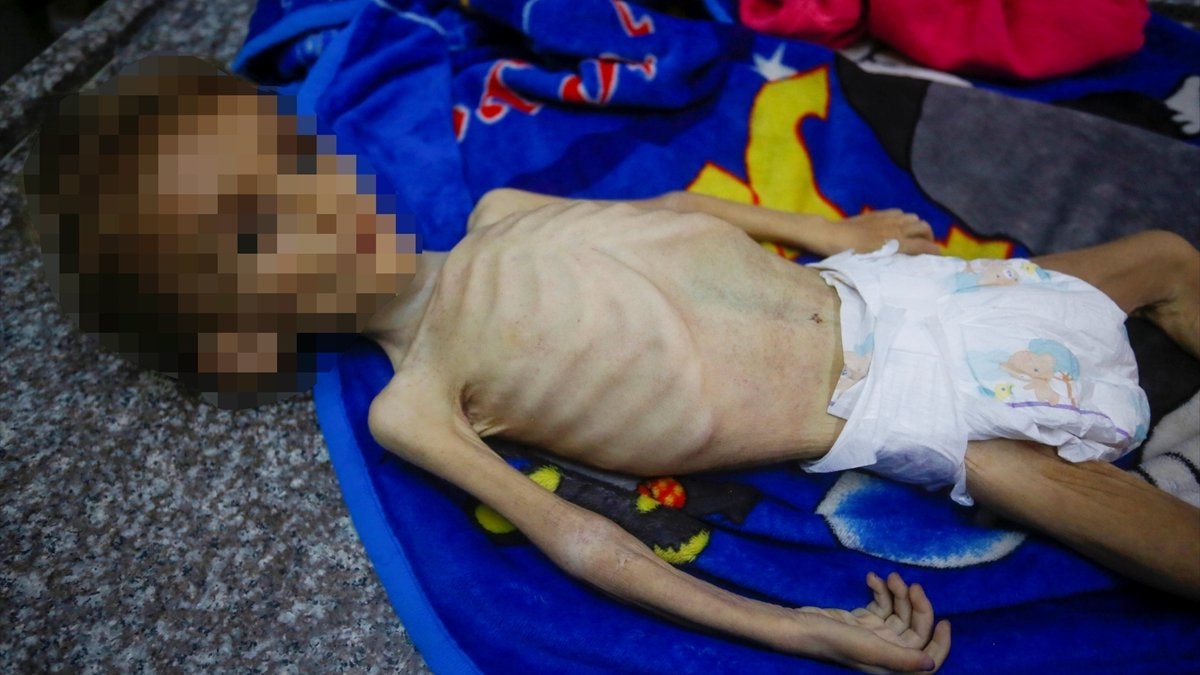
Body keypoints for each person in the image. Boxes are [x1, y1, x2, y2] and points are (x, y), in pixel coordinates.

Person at [23, 57, 1200, 673]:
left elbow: (683, 205)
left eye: (294, 160)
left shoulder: (500, 210)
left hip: (890, 292)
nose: (318, 206)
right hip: (896, 401)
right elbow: (585, 543)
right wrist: (800, 629)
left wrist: (834, 231)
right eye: (253, 233)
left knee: (1160, 259)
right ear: (239, 340)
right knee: (1086, 502)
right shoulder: (417, 406)